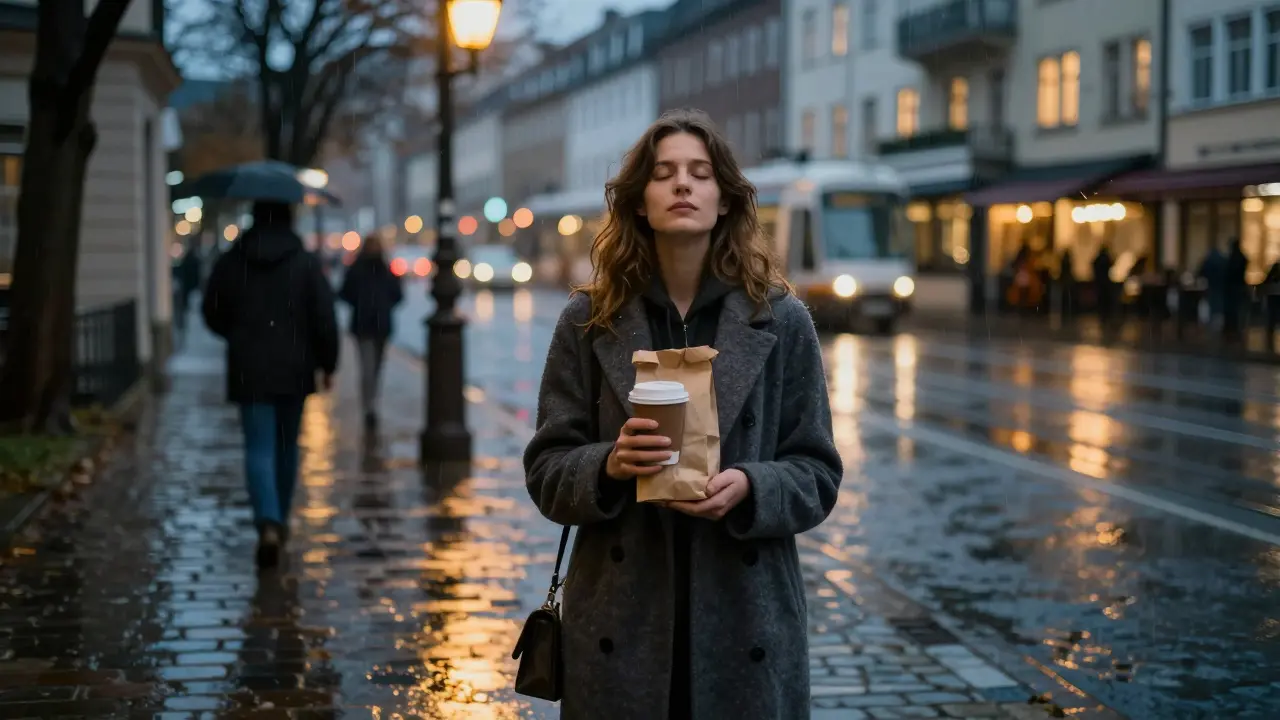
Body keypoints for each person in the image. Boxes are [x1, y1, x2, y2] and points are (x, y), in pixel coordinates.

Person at [523, 108, 843, 719]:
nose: (682, 184)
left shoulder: (780, 320)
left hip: (746, 619)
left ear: (724, 199)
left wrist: (751, 485)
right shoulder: (590, 322)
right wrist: (609, 465)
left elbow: (818, 473)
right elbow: (546, 469)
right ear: (640, 201)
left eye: (699, 173)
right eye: (664, 172)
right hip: (620, 625)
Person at [202, 200, 339, 569]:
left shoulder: (233, 260)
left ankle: (268, 521)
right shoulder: (305, 262)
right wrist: (329, 363)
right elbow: (324, 317)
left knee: (258, 446)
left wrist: (237, 334)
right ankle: (280, 516)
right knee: (285, 445)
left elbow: (211, 310)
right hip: (294, 368)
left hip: (249, 367)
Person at [338, 233, 404, 429]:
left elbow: (345, 292)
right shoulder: (384, 269)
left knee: (369, 366)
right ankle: (370, 404)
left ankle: (369, 403)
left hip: (365, 324)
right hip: (376, 325)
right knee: (373, 367)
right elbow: (397, 294)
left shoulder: (359, 268)